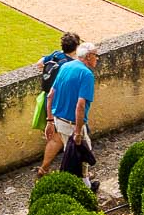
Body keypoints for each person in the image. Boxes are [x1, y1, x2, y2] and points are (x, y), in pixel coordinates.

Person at [39, 43, 99, 177]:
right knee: (80, 156)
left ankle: (82, 180)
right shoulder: (86, 74)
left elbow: (50, 96)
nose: (97, 58)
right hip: (72, 124)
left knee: (77, 153)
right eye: (96, 55)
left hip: (59, 121)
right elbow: (80, 105)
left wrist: (50, 121)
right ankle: (83, 185)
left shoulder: (66, 66)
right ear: (88, 56)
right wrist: (77, 132)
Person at [33, 31, 81, 172]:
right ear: (76, 47)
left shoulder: (56, 55)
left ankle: (44, 169)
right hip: (61, 103)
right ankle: (79, 172)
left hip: (49, 99)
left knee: (56, 138)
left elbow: (39, 64)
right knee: (71, 137)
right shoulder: (72, 65)